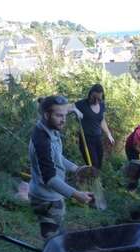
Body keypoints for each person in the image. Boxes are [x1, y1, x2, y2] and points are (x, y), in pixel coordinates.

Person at [29, 96, 94, 240]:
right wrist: (77, 195)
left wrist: (77, 169)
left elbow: (58, 157)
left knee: (58, 235)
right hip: (46, 199)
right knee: (53, 241)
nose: (63, 120)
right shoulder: (42, 141)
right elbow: (50, 179)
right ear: (46, 115)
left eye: (65, 115)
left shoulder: (51, 130)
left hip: (52, 195)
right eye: (59, 115)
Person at [69, 84, 115, 170]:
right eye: (94, 98)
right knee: (93, 165)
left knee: (99, 164)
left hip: (98, 138)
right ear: (90, 94)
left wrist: (108, 134)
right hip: (86, 139)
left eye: (99, 99)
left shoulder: (101, 105)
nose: (96, 101)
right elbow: (66, 108)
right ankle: (90, 182)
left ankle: (94, 181)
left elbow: (101, 120)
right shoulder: (82, 104)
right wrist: (74, 110)